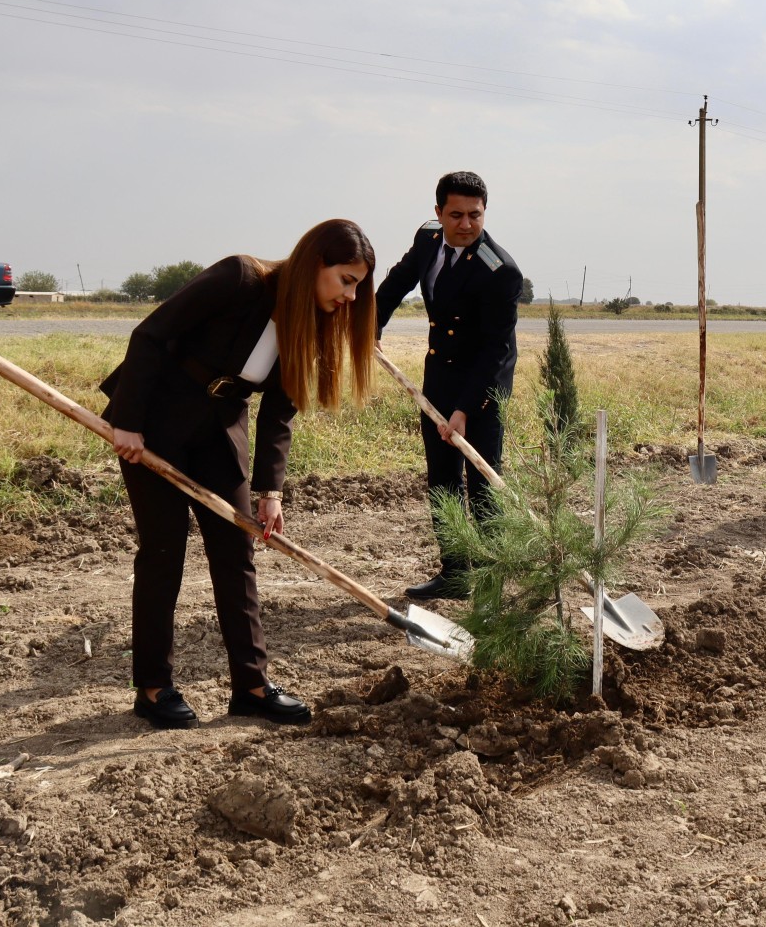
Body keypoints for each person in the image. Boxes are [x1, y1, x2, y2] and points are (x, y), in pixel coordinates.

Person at [102, 219, 377, 729]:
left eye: (358, 284)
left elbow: (279, 410)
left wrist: (271, 490)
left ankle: (251, 686)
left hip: (219, 434)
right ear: (316, 264)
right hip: (155, 425)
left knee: (236, 552)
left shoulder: (311, 318)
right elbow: (150, 335)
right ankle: (153, 687)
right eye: (346, 279)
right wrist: (129, 423)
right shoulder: (241, 279)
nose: (352, 295)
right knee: (164, 552)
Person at [375, 171, 523, 600]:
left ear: (484, 213)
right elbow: (396, 283)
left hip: (484, 383)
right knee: (441, 478)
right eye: (455, 215)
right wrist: (370, 327)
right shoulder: (427, 239)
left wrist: (464, 409)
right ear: (438, 213)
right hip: (440, 374)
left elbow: (496, 350)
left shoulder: (501, 271)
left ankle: (494, 581)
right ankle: (456, 574)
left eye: (474, 215)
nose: (465, 224)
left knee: (481, 481)